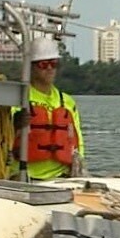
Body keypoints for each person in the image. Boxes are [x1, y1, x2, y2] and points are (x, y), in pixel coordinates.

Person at [13, 36, 84, 180]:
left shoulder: (67, 102)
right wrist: (15, 125)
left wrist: (78, 166)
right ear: (31, 67)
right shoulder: (18, 99)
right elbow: (2, 137)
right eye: (43, 64)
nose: (50, 68)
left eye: (54, 64)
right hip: (25, 177)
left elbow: (78, 139)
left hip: (61, 177)